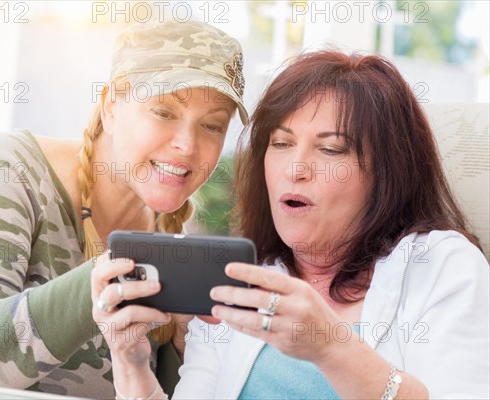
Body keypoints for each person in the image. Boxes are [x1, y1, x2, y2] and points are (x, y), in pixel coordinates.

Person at [91, 50, 490, 399]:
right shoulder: (242, 282)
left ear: (387, 173)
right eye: (280, 144)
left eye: (331, 148)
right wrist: (131, 363)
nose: (295, 169)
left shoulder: (441, 266)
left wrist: (329, 347)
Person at [0, 19, 248, 398]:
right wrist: (97, 284)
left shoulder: (170, 242)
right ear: (111, 106)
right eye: (163, 112)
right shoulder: (2, 170)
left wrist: (179, 345)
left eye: (212, 125)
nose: (188, 145)